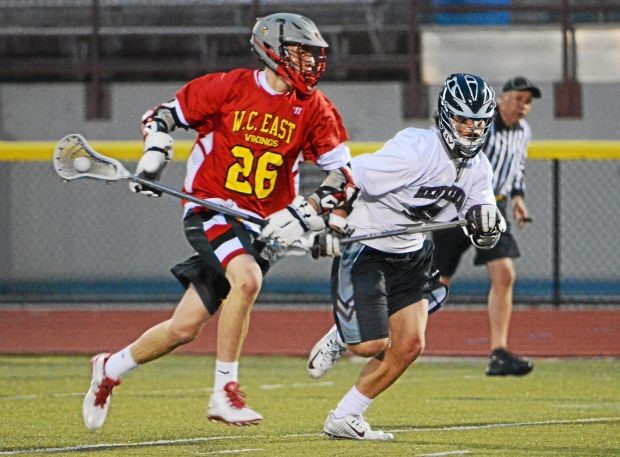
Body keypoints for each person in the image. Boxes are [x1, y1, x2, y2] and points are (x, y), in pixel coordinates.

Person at [81, 12, 355, 431]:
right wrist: (154, 155)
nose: (309, 63)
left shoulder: (315, 107)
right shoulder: (229, 87)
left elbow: (343, 176)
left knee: (184, 327)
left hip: (263, 225)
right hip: (212, 206)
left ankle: (110, 368)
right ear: (272, 50)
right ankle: (224, 391)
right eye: (300, 53)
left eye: (312, 55)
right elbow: (162, 116)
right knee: (247, 279)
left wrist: (317, 216)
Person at [307, 73, 506, 440]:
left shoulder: (479, 168)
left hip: (412, 253)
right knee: (369, 345)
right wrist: (313, 212)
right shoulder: (416, 148)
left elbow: (483, 219)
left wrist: (488, 225)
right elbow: (349, 175)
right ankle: (344, 334)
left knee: (411, 344)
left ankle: (346, 416)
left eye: (479, 122)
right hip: (367, 247)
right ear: (445, 116)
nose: (471, 129)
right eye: (463, 119)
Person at [433, 76, 541, 377]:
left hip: (494, 207)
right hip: (458, 207)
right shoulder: (482, 124)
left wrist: (518, 198)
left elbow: (517, 167)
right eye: (518, 98)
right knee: (436, 283)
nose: (523, 106)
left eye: (528, 102)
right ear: (503, 98)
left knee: (504, 273)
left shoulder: (523, 131)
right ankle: (392, 337)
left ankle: (499, 353)